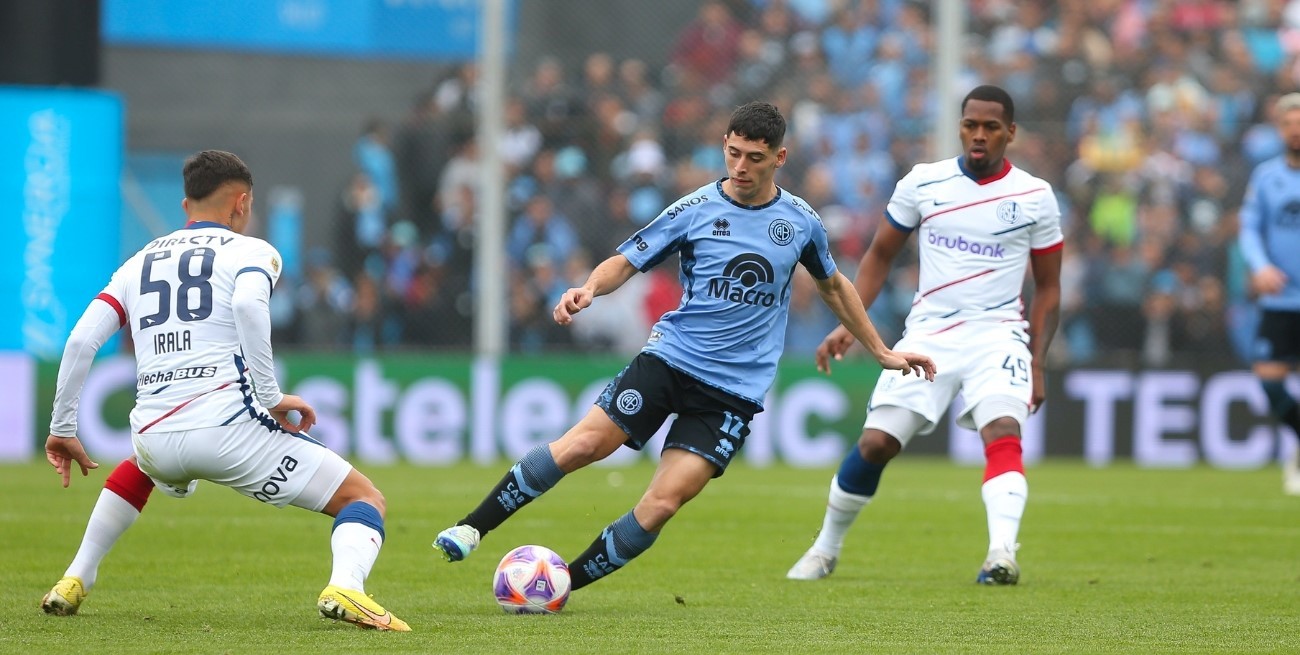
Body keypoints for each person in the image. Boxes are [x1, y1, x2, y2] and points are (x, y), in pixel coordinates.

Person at [431, 102, 936, 591]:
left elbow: (833, 285)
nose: (741, 166)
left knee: (662, 503)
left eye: (755, 158)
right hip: (669, 360)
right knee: (583, 444)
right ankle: (471, 527)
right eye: (733, 153)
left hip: (733, 392)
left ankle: (563, 586)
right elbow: (626, 261)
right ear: (724, 146)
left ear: (779, 158)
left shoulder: (801, 223)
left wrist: (881, 350)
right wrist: (588, 288)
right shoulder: (694, 209)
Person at [40, 150, 409, 631]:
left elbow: (81, 340)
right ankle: (348, 587)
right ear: (242, 203)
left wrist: (62, 427)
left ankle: (75, 577)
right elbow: (251, 308)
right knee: (364, 498)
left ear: (184, 205)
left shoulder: (138, 263)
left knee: (142, 465)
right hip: (226, 432)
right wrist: (272, 397)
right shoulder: (252, 251)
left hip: (153, 438)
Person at [786, 85, 1063, 585]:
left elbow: (1048, 288)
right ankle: (824, 550)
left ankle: (1001, 555)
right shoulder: (923, 183)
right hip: (929, 335)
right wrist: (851, 326)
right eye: (970, 125)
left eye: (991, 127)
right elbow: (878, 257)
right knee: (875, 444)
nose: (979, 136)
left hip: (999, 336)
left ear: (1010, 133)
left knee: (1003, 432)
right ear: (960, 127)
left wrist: (1036, 364)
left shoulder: (1036, 197)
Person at [1238, 92, 1300, 495]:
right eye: (1289, 124)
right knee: (1270, 382)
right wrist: (1260, 266)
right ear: (1279, 129)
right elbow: (1249, 228)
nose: (1296, 130)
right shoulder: (1266, 176)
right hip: (1280, 300)